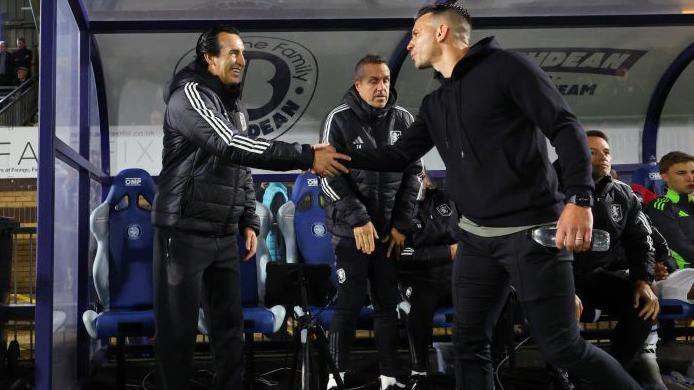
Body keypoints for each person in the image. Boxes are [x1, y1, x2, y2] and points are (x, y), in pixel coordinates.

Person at [344, 4, 643, 389]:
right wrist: (330, 157)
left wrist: (579, 199)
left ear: (441, 33)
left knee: (562, 347)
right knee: (468, 345)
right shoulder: (435, 103)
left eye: (415, 34)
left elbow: (565, 127)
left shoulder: (508, 68)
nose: (409, 44)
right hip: (474, 240)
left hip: (532, 233)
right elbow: (396, 156)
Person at [151, 25, 349, 390]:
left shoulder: (234, 107)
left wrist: (248, 220)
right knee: (177, 333)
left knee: (229, 332)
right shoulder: (189, 95)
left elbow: (240, 168)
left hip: (223, 234)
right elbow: (228, 145)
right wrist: (304, 156)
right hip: (183, 231)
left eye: (243, 53)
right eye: (233, 53)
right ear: (209, 58)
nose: (242, 60)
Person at [320, 54, 423, 390]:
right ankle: (337, 380)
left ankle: (390, 377)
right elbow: (327, 178)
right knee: (348, 307)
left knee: (387, 307)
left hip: (388, 234)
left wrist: (400, 226)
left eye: (386, 80)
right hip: (351, 232)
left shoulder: (405, 119)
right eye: (373, 81)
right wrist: (359, 220)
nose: (381, 87)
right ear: (358, 84)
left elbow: (413, 176)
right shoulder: (338, 119)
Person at [568, 130, 658, 382]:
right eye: (592, 152)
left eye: (606, 152)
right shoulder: (551, 188)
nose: (602, 158)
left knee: (643, 304)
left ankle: (610, 375)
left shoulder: (622, 193)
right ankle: (566, 379)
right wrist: (563, 288)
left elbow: (641, 240)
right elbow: (539, 244)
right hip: (555, 276)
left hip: (594, 276)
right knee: (560, 310)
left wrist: (643, 280)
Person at [396, 171, 460, 389]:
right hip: (417, 277)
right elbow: (401, 255)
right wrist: (446, 252)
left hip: (453, 275)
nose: (423, 180)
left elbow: (464, 234)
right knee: (422, 302)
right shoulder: (397, 208)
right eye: (416, 177)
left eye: (422, 175)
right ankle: (419, 371)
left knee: (491, 293)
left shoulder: (447, 198)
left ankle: (487, 365)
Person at [647, 151, 694, 269]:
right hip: (681, 273)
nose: (690, 178)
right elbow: (681, 245)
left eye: (693, 172)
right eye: (681, 173)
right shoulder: (660, 206)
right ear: (665, 177)